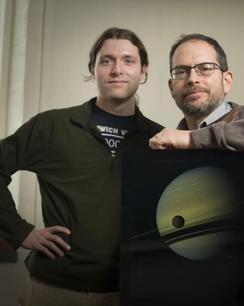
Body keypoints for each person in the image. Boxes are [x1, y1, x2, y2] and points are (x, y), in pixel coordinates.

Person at [0, 27, 163, 306]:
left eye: (128, 60)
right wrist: (20, 231)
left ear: (143, 71)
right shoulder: (51, 126)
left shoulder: (159, 140)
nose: (116, 69)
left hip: (128, 290)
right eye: (106, 60)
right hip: (53, 288)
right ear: (93, 69)